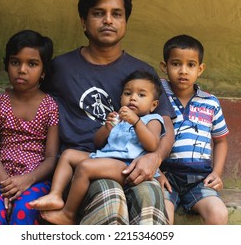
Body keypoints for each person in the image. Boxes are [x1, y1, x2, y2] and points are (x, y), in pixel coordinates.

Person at [39, 0, 176, 225]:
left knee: (150, 195)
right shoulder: (60, 68)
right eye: (98, 13)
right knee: (109, 195)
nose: (108, 21)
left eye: (117, 14)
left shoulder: (142, 73)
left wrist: (154, 159)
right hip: (81, 170)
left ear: (125, 21)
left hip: (133, 166)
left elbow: (166, 128)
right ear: (84, 21)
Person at [30, 70, 166, 224]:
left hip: (128, 165)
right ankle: (55, 194)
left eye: (141, 95)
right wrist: (107, 128)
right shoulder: (119, 119)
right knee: (68, 155)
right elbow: (98, 143)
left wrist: (136, 122)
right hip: (105, 157)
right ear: (121, 97)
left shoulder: (153, 119)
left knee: (85, 167)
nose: (133, 98)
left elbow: (153, 144)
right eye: (128, 93)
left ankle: (68, 213)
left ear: (153, 105)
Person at [0, 30, 60, 225]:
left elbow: (50, 158)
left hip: (35, 177)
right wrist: (7, 185)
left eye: (32, 64)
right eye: (15, 62)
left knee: (25, 210)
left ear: (44, 71)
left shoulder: (50, 106)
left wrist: (27, 180)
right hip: (0, 176)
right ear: (7, 65)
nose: (22, 69)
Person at [157, 34, 229, 224]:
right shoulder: (158, 96)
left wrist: (217, 173)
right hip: (165, 176)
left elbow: (220, 141)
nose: (183, 71)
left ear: (200, 69)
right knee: (163, 214)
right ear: (164, 67)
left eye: (190, 65)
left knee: (219, 213)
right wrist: (156, 172)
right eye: (175, 64)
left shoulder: (210, 102)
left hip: (200, 179)